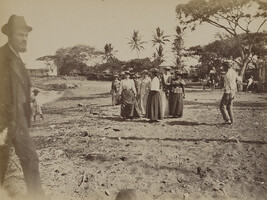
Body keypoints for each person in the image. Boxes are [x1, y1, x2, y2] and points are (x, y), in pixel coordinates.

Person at [0, 15, 46, 199]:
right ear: (9, 35)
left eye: (26, 35)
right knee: (1, 164)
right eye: (20, 35)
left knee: (31, 158)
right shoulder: (2, 56)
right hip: (3, 122)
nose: (24, 39)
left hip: (19, 123)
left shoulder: (17, 58)